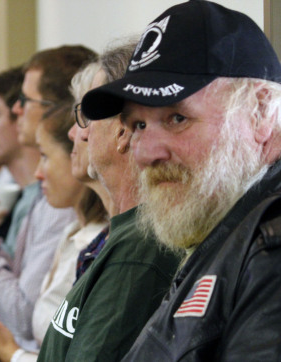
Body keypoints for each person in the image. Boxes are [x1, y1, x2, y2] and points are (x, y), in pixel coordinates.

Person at [79, 2, 281, 360]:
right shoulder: (226, 224)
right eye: (138, 125)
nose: (144, 153)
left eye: (176, 118)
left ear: (260, 113)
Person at [37, 42, 181, 361]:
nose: (80, 134)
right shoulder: (125, 236)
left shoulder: (139, 248)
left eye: (87, 116)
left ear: (123, 131)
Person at [0, 102, 109, 362]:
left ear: (78, 155)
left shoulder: (96, 240)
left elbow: (24, 317)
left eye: (46, 156)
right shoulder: (74, 232)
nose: (38, 173)